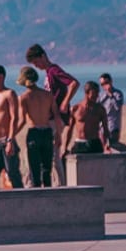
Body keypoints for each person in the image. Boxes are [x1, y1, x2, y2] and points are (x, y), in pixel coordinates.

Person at [25, 43, 79, 185]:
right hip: (49, 117)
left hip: (56, 118)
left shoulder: (54, 70)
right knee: (49, 153)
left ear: (43, 56)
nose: (36, 66)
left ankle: (60, 184)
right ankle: (53, 182)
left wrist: (65, 102)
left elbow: (74, 83)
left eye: (36, 62)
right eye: (34, 64)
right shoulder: (48, 73)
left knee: (53, 154)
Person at [15, 66, 62, 188]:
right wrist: (58, 134)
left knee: (35, 170)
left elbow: (21, 120)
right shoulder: (48, 95)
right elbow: (56, 116)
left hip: (34, 132)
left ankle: (38, 197)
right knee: (47, 169)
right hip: (47, 132)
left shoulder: (24, 97)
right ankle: (47, 194)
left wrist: (11, 135)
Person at [65, 81, 108, 155]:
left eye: (98, 93)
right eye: (95, 93)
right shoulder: (76, 108)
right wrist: (65, 147)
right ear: (87, 93)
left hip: (95, 143)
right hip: (80, 143)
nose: (97, 95)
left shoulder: (100, 109)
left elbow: (105, 129)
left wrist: (106, 144)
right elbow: (69, 130)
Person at [98, 73, 126, 152]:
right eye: (102, 84)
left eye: (105, 83)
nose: (104, 86)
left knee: (113, 147)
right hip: (102, 126)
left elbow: (118, 107)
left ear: (111, 82)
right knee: (103, 148)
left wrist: (110, 95)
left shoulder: (118, 94)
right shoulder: (101, 95)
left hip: (113, 126)